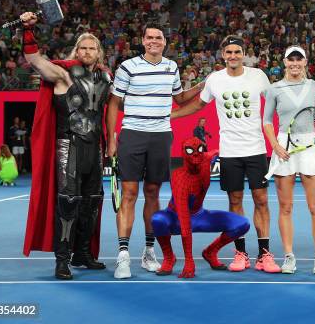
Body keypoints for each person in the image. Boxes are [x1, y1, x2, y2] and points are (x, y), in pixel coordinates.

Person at [171, 35, 280, 273]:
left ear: (243, 54)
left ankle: (264, 255)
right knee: (235, 201)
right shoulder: (215, 79)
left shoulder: (258, 76)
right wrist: (172, 115)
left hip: (256, 149)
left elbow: (275, 102)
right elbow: (199, 105)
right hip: (230, 151)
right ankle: (240, 253)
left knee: (261, 201)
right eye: (229, 52)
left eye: (237, 52)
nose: (233, 56)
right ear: (223, 55)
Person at [107, 23, 203, 279]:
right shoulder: (127, 67)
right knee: (129, 193)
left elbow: (180, 99)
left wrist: (205, 84)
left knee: (152, 193)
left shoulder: (171, 67)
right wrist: (111, 139)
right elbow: (114, 103)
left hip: (161, 136)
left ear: (164, 41)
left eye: (158, 37)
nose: (153, 41)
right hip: (132, 135)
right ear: (143, 40)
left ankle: (149, 250)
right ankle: (123, 255)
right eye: (149, 37)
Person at [21, 11, 111, 280]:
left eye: (91, 48)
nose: (87, 51)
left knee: (92, 202)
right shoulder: (63, 74)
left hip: (94, 148)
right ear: (77, 49)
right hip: (68, 146)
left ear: (99, 52)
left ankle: (82, 253)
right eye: (82, 47)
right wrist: (28, 31)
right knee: (68, 202)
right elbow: (34, 60)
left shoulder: (106, 77)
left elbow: (109, 112)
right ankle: (62, 260)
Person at [263, 45, 315, 274]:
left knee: (314, 206)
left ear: (305, 63)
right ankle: (289, 257)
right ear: (284, 62)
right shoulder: (274, 89)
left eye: (299, 60)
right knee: (286, 207)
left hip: (309, 146)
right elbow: (267, 121)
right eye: (291, 60)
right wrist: (276, 146)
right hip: (284, 147)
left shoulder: (313, 86)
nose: (295, 64)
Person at [151, 137, 250, 278]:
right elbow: (185, 222)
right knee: (157, 220)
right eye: (190, 151)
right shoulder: (179, 178)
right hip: (176, 218)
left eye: (200, 150)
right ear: (183, 154)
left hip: (200, 215)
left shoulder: (206, 158)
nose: (196, 154)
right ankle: (169, 258)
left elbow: (217, 151)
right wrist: (189, 261)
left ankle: (210, 252)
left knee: (242, 224)